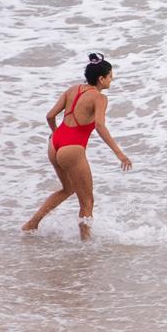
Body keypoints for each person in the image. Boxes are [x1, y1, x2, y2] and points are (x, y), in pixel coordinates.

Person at [22, 53, 132, 240]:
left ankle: (32, 224)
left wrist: (56, 133)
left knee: (67, 189)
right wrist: (120, 154)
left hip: (55, 144)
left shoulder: (72, 90)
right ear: (101, 79)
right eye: (110, 76)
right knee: (87, 201)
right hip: (72, 149)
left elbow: (50, 116)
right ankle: (86, 244)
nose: (111, 80)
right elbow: (99, 126)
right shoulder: (100, 98)